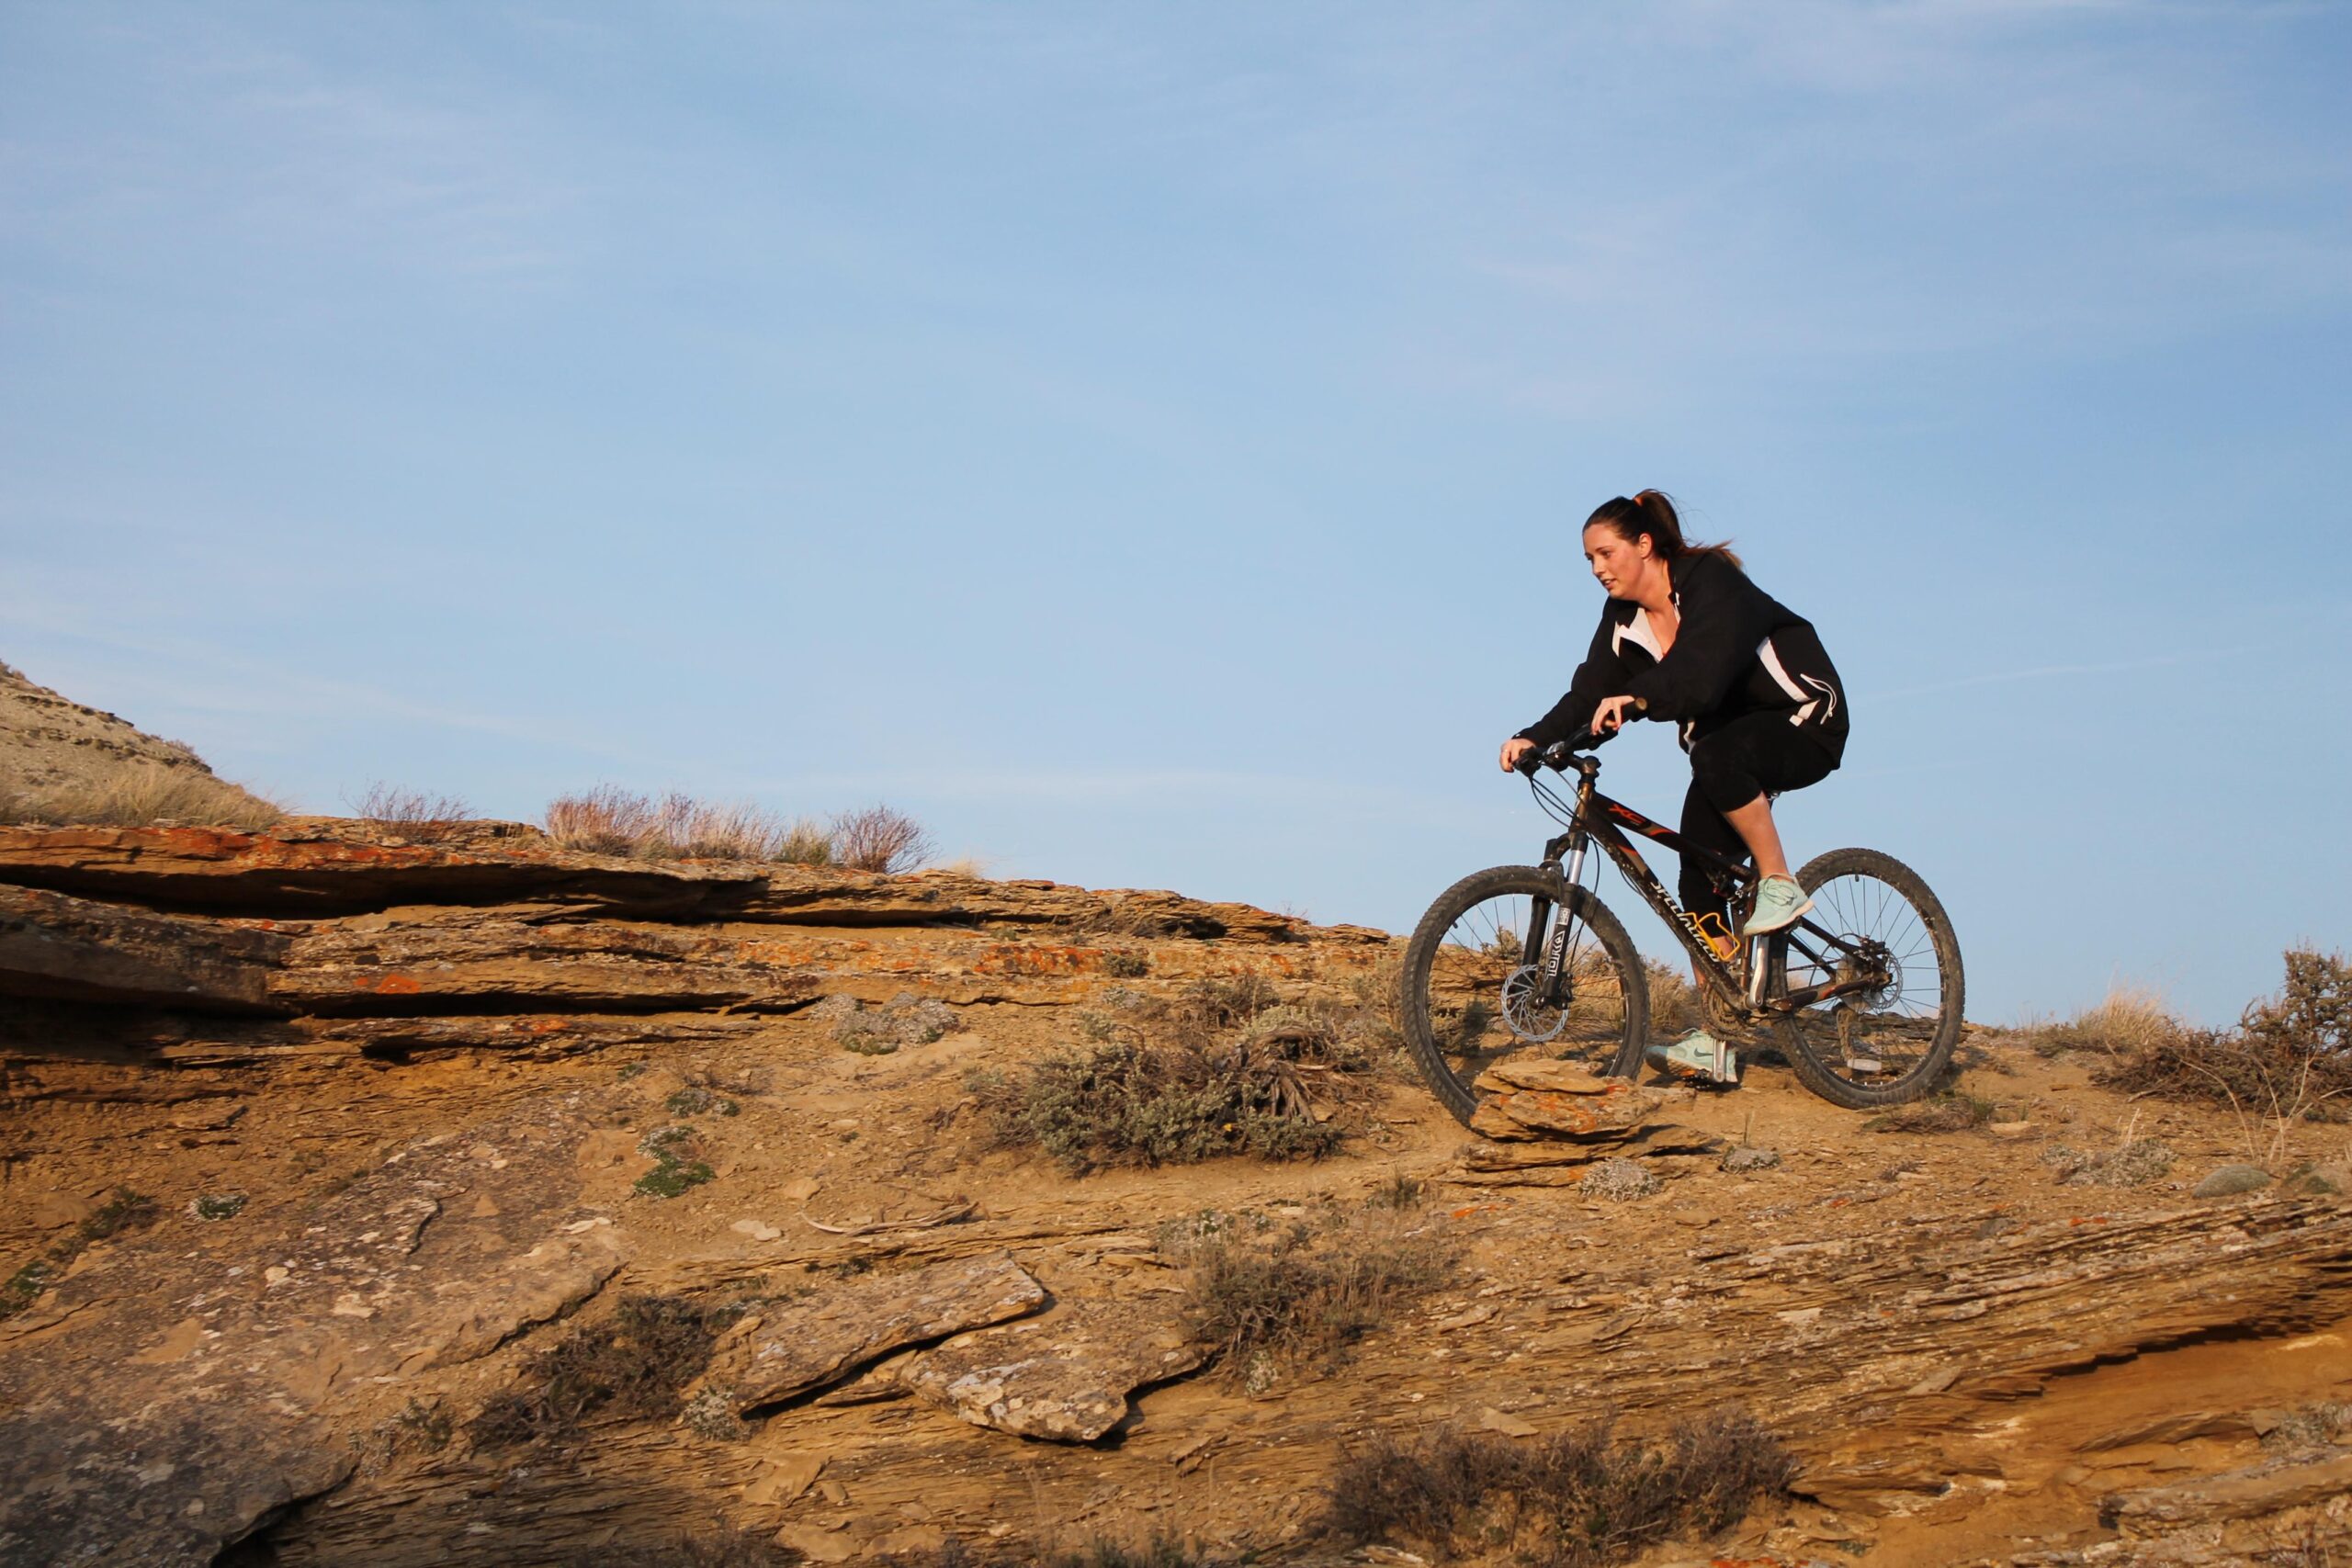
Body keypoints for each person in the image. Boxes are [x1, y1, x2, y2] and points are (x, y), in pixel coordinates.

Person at [1497, 491, 1848, 1086]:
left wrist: (1637, 699)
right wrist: (1533, 736)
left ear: (1643, 544)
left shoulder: (1708, 580)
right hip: (1723, 752)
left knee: (1716, 751)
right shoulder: (1622, 623)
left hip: (1803, 716)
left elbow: (1704, 673)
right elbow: (1588, 693)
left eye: (1605, 551)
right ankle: (1722, 1034)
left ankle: (1781, 884)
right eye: (1588, 559)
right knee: (1695, 880)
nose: (1598, 567)